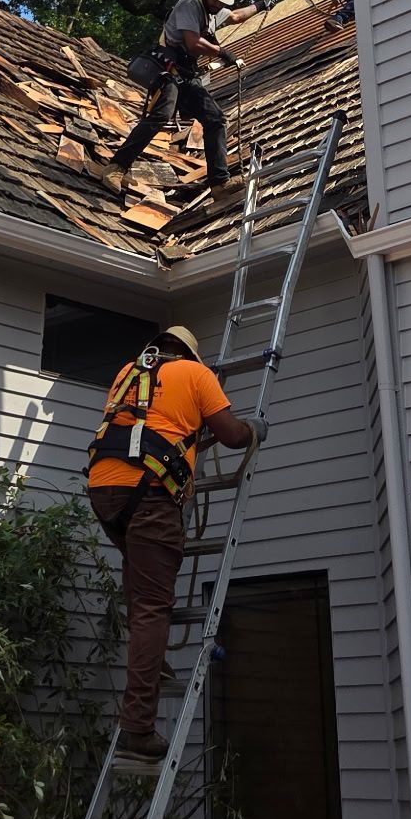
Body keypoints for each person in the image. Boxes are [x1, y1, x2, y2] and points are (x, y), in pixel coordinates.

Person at [86, 325, 263, 760]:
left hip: (105, 489)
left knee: (139, 581)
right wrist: (254, 428)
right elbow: (231, 435)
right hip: (150, 494)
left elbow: (147, 427)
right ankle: (138, 727)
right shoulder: (197, 375)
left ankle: (154, 665)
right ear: (189, 354)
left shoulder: (130, 372)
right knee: (152, 607)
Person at [100, 0, 260, 196]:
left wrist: (260, 5)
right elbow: (193, 44)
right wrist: (223, 52)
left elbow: (234, 16)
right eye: (216, 1)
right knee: (162, 113)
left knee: (215, 119)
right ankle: (115, 168)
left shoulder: (214, 10)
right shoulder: (190, 4)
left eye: (222, 3)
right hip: (166, 66)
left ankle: (219, 184)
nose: (218, 6)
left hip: (186, 73)